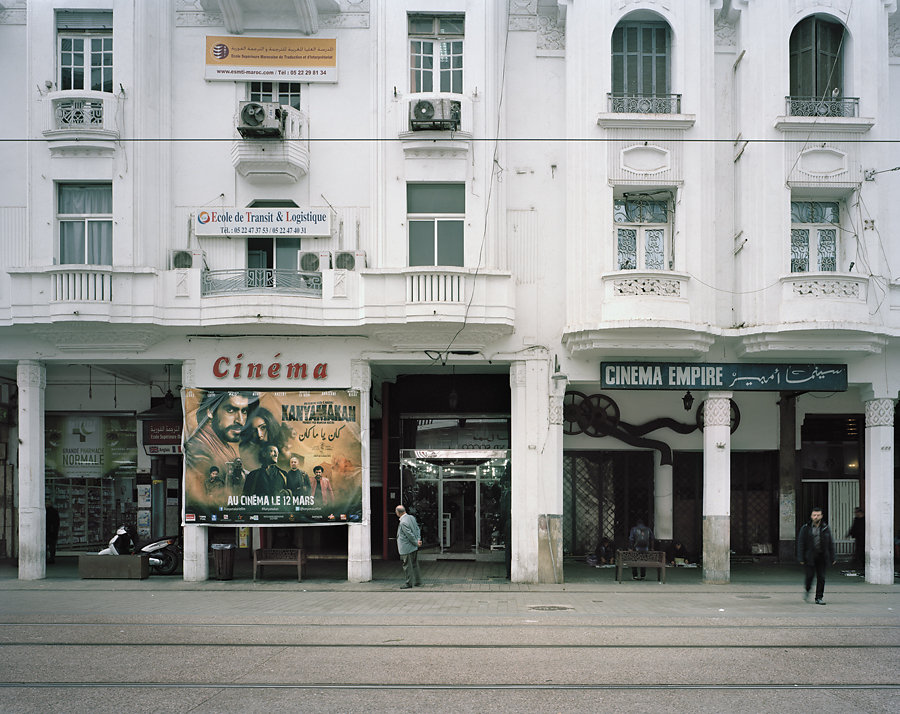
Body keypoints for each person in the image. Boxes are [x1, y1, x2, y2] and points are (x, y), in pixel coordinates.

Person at [185, 391, 256, 480]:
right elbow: (200, 491)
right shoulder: (199, 448)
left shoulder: (224, 445)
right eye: (230, 410)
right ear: (210, 411)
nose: (240, 421)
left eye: (244, 411)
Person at [797, 507, 835, 605]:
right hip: (810, 557)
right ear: (811, 516)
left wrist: (833, 556)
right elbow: (801, 543)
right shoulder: (805, 528)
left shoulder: (825, 528)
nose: (816, 517)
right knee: (809, 576)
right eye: (814, 515)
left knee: (821, 577)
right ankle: (808, 589)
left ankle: (819, 597)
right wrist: (800, 557)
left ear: (821, 516)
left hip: (822, 556)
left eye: (818, 515)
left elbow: (830, 543)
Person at [395, 505, 422, 589]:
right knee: (414, 564)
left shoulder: (403, 522)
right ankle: (418, 581)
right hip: (413, 547)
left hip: (406, 547)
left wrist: (416, 542)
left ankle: (408, 583)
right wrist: (418, 540)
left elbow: (409, 535)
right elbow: (417, 529)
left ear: (398, 513)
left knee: (407, 565)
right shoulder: (411, 518)